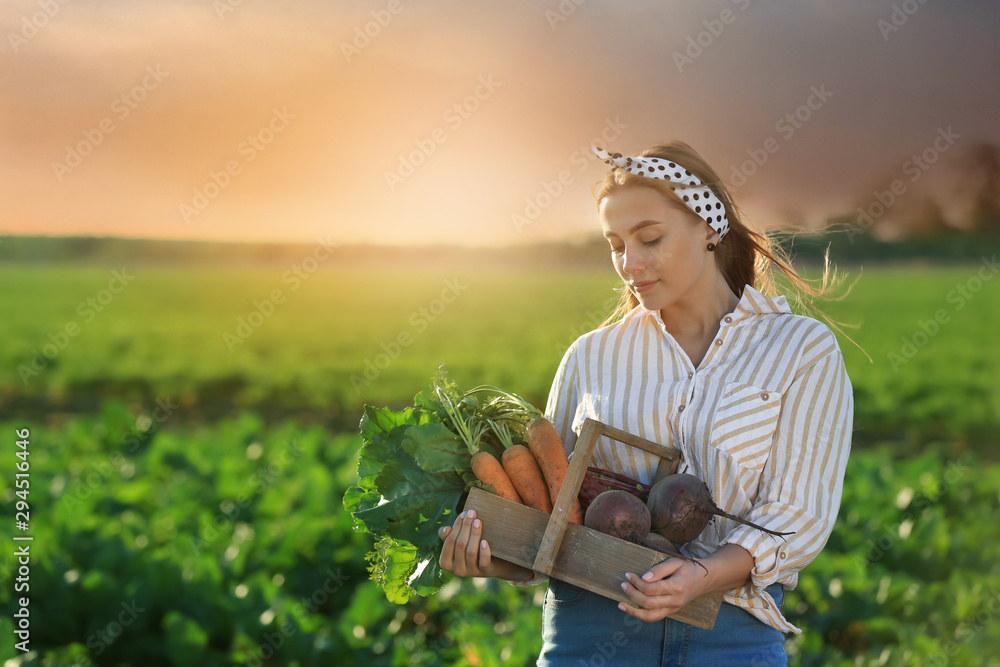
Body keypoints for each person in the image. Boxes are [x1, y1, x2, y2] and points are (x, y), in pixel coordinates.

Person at [438, 141, 855, 666]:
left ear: (709, 227)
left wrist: (700, 577)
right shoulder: (591, 357)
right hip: (590, 635)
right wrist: (493, 558)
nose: (629, 264)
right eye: (615, 244)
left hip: (729, 639)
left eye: (650, 239)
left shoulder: (799, 349)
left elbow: (798, 513)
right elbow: (552, 521)